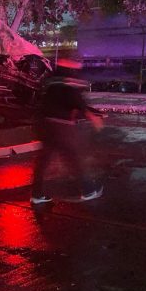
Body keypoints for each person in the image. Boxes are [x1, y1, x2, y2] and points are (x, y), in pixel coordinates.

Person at [30, 58, 103, 204]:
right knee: (72, 158)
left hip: (45, 123)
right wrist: (91, 116)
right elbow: (74, 98)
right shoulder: (67, 79)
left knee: (43, 161)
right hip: (60, 125)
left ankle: (36, 195)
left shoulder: (50, 78)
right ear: (69, 64)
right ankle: (89, 190)